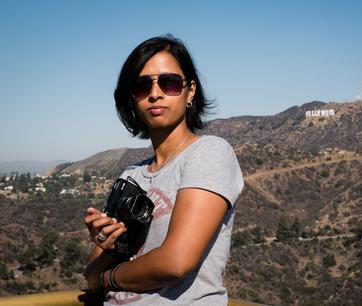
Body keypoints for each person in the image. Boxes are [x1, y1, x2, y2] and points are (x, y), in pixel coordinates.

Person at [84, 35, 244, 305]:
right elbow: (90, 276)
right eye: (141, 86)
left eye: (169, 83)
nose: (155, 93)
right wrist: (108, 244)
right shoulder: (130, 176)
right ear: (131, 98)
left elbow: (176, 261)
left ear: (189, 91)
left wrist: (109, 278)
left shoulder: (209, 153)